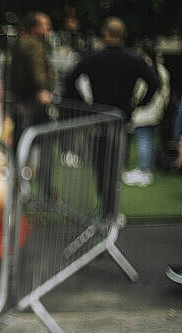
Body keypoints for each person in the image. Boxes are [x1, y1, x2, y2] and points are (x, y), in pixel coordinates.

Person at [64, 16, 159, 218]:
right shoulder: (134, 59)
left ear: (105, 34)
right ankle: (111, 209)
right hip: (120, 118)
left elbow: (69, 79)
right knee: (115, 165)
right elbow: (154, 82)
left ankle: (106, 207)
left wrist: (84, 105)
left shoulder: (93, 57)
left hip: (98, 117)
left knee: (100, 165)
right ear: (123, 35)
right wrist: (139, 103)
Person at [122, 40, 170, 187]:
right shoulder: (163, 70)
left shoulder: (148, 70)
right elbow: (166, 93)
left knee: (144, 140)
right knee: (148, 140)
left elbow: (140, 91)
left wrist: (136, 102)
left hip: (146, 111)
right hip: (156, 111)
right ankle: (146, 170)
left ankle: (144, 171)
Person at [9, 11, 56, 152]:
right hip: (32, 99)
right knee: (39, 137)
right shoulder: (34, 44)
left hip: (22, 97)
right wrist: (42, 89)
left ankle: (21, 167)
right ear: (34, 27)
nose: (48, 29)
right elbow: (37, 68)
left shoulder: (22, 42)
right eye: (45, 25)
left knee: (21, 135)